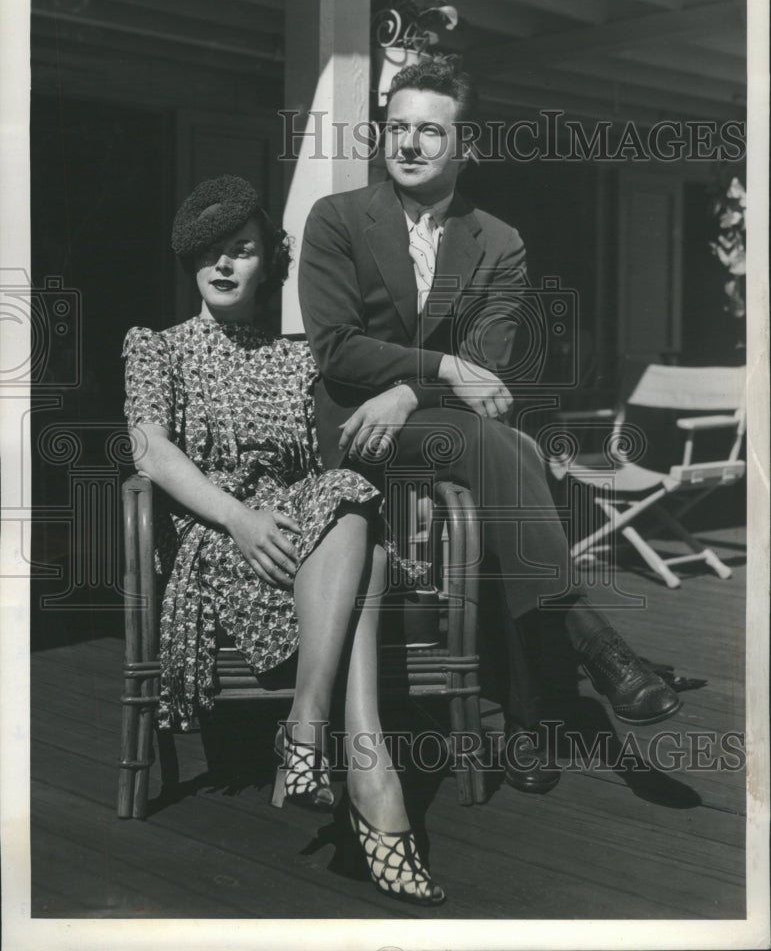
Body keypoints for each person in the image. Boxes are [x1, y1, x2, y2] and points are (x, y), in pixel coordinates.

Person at [299, 59, 682, 795]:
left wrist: (412, 392)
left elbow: (489, 363)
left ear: (465, 146)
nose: (408, 144)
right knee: (506, 451)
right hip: (355, 431)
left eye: (429, 132)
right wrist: (439, 378)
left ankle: (535, 720)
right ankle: (586, 660)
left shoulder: (497, 240)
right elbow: (339, 351)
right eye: (397, 127)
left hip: (435, 427)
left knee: (503, 468)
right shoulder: (338, 219)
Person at [122, 175, 445, 906]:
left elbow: (399, 368)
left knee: (347, 494)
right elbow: (152, 453)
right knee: (361, 538)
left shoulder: (302, 356)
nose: (225, 266)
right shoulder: (158, 349)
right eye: (210, 254)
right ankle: (371, 784)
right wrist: (237, 517)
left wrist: (407, 391)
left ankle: (307, 729)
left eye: (241, 250)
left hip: (307, 530)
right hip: (218, 540)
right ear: (191, 265)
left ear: (270, 260)